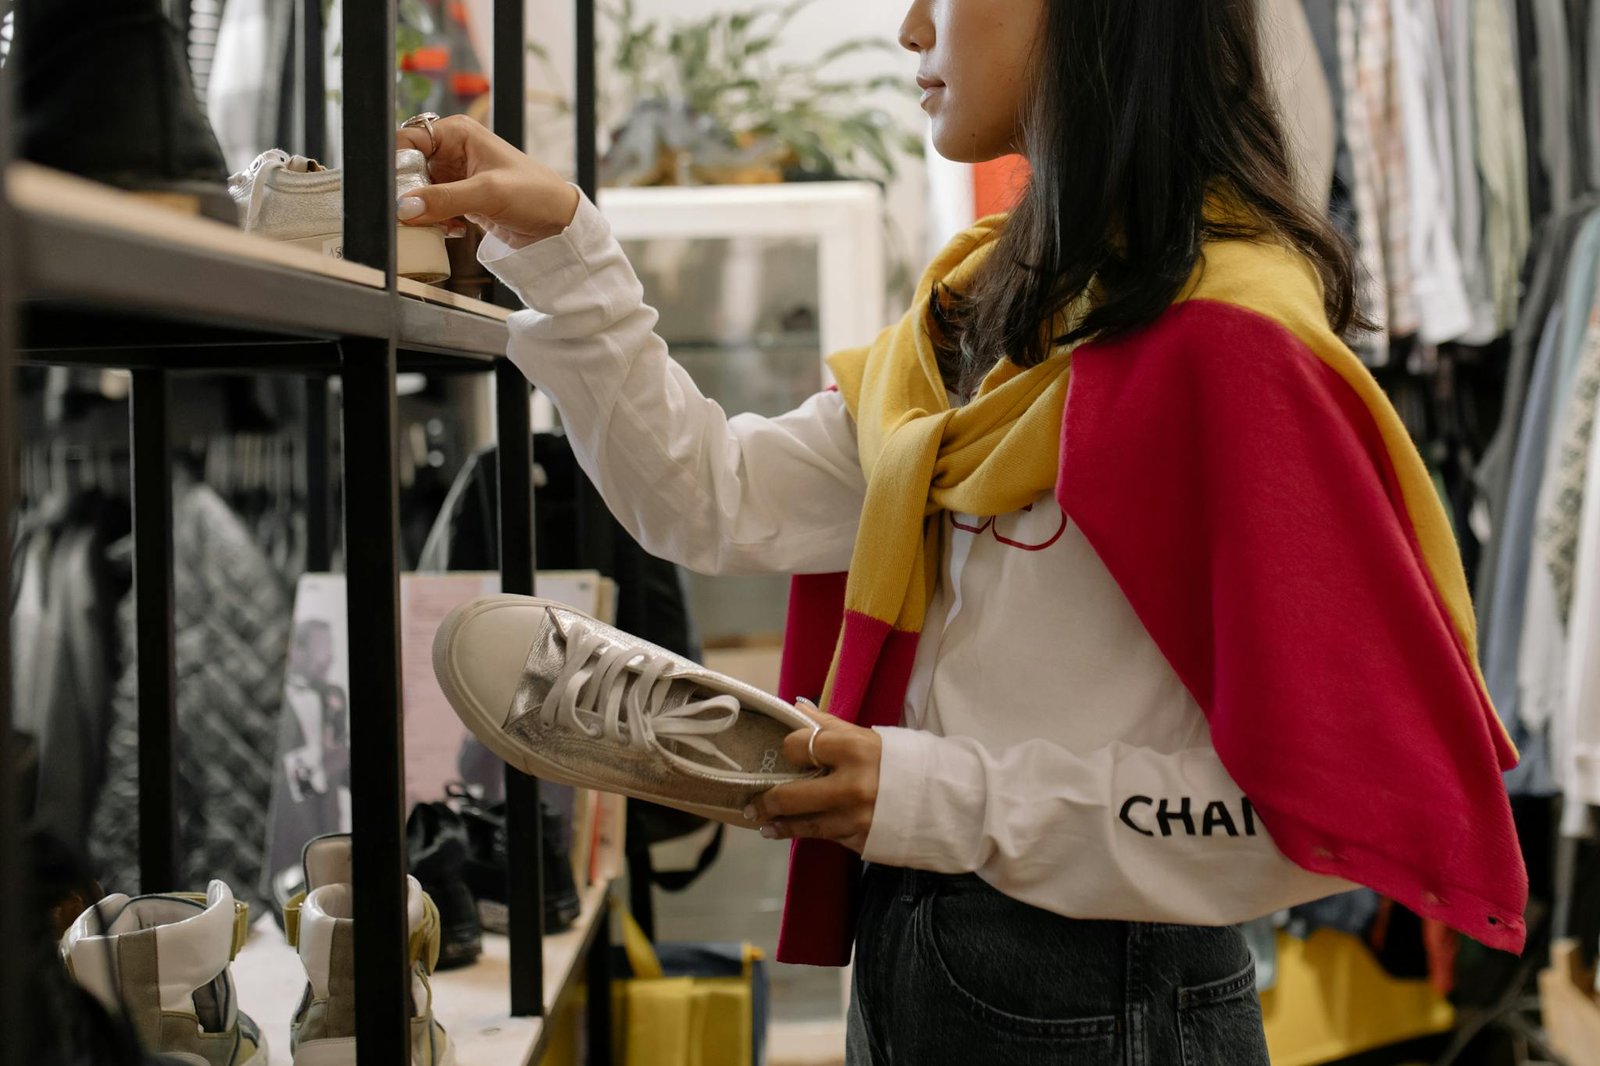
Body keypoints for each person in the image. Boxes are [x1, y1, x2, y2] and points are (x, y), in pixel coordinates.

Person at [396, 0, 1527, 1061]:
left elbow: (1296, 817)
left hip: (1101, 984)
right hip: (918, 949)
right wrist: (564, 245)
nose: (910, 27)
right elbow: (715, 497)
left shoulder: (1230, 349)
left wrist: (931, 794)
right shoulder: (986, 316)